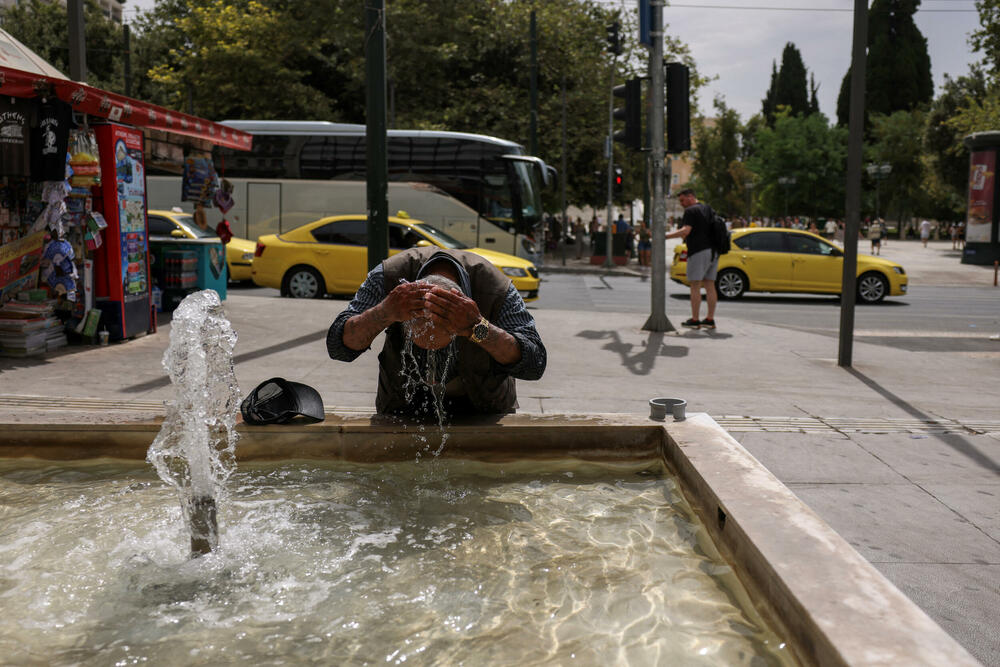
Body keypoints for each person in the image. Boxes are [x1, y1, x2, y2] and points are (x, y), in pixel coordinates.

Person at [327, 247, 546, 418]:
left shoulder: (496, 288)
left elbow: (534, 363)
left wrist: (478, 327)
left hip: (484, 408)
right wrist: (384, 312)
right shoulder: (388, 277)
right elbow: (339, 347)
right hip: (401, 406)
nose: (433, 377)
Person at [665, 189, 717, 330]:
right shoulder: (708, 209)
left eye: (682, 200)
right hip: (713, 251)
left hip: (699, 251)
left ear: (690, 197)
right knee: (710, 285)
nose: (681, 204)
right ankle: (710, 319)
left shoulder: (691, 211)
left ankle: (695, 320)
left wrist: (666, 236)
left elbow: (685, 231)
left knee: (695, 285)